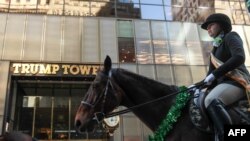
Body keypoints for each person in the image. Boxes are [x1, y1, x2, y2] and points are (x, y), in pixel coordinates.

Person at [197, 13, 250, 141]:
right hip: (223, 84)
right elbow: (209, 75)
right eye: (207, 27)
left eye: (211, 25)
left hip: (237, 82)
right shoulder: (214, 50)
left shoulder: (231, 36)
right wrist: (197, 85)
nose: (208, 29)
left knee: (211, 100)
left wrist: (214, 75)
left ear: (221, 25)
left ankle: (224, 137)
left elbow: (239, 57)